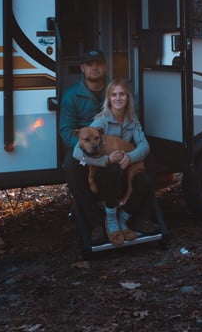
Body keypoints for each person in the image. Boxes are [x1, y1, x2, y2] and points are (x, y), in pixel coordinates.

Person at [74, 77, 159, 246]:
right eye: (114, 95)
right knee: (112, 172)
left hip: (125, 167)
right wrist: (106, 160)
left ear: (128, 98)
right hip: (107, 173)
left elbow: (144, 145)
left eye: (122, 94)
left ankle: (126, 216)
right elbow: (77, 152)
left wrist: (130, 158)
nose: (118, 98)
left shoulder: (133, 121)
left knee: (146, 177)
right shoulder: (101, 121)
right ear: (109, 99)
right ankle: (111, 218)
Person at [59, 48, 110, 244]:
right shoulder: (71, 96)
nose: (95, 67)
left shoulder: (116, 91)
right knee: (71, 166)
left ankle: (130, 216)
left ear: (105, 66)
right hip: (83, 149)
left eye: (98, 63)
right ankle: (97, 222)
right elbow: (66, 131)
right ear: (82, 68)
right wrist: (86, 150)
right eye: (90, 64)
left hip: (109, 145)